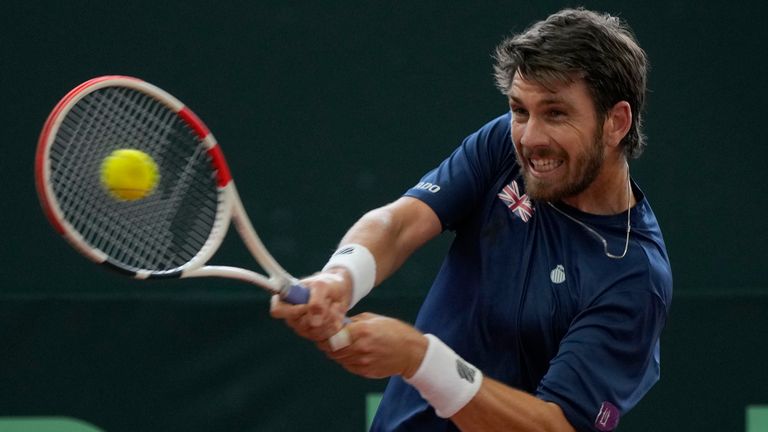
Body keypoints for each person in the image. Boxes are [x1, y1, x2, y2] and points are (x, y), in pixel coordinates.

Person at [271, 7, 672, 432]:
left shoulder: (634, 278)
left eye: (556, 113)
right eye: (520, 110)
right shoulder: (506, 142)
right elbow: (401, 223)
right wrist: (340, 278)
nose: (531, 138)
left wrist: (421, 359)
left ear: (616, 122)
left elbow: (555, 427)